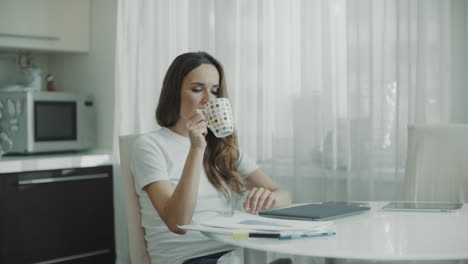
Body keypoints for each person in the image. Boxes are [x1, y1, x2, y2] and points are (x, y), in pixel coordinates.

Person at [131, 51, 292, 264]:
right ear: (174, 93)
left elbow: (286, 195)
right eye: (197, 90)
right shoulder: (150, 146)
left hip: (234, 252)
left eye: (215, 91)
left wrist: (270, 198)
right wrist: (196, 149)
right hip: (188, 258)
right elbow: (178, 222)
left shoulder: (224, 149)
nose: (208, 99)